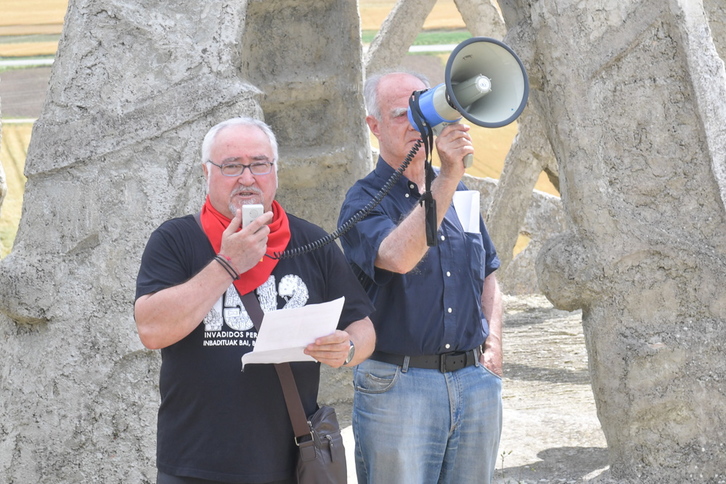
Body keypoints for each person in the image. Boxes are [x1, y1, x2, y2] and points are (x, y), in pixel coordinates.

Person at [134, 117, 376, 484]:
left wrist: (348, 348)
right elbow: (151, 330)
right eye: (231, 166)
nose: (247, 178)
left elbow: (363, 326)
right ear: (207, 172)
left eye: (259, 164)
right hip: (193, 462)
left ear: (275, 171)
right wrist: (227, 264)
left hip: (290, 461)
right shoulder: (175, 240)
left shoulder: (312, 241)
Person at [337, 70, 504, 484]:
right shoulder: (363, 199)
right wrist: (447, 176)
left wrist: (494, 346)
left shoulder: (461, 195)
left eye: (421, 110)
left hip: (473, 381)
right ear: (373, 126)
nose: (414, 124)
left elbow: (488, 275)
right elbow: (397, 257)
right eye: (399, 115)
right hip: (400, 386)